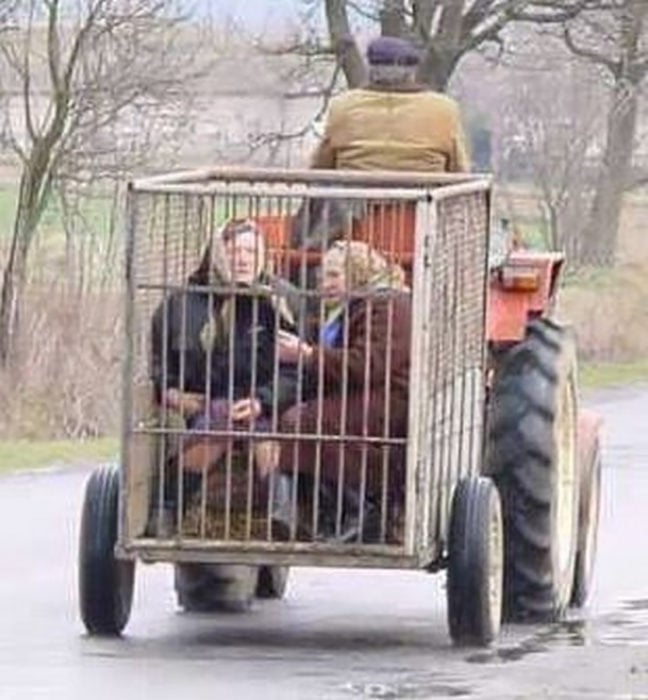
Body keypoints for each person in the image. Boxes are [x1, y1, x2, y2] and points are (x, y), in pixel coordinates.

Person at [149, 218, 298, 531]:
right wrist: (172, 393)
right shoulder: (181, 302)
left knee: (261, 428)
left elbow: (296, 369)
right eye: (234, 251)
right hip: (207, 402)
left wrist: (263, 400)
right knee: (219, 418)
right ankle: (167, 508)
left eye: (251, 252)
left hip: (266, 403)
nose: (242, 259)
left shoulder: (280, 300)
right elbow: (161, 361)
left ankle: (282, 516)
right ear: (217, 254)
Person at [276, 241, 412, 542]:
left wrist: (308, 355)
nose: (325, 285)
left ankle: (358, 509)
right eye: (322, 277)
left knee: (308, 421)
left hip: (389, 398)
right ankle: (307, 512)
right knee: (297, 416)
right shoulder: (359, 304)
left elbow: (370, 364)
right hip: (365, 393)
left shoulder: (389, 305)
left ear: (358, 273)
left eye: (334, 275)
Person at [310, 36, 470, 173]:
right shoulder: (443, 109)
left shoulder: (342, 106)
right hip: (421, 205)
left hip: (355, 205)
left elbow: (321, 165)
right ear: (411, 72)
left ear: (371, 68)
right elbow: (458, 168)